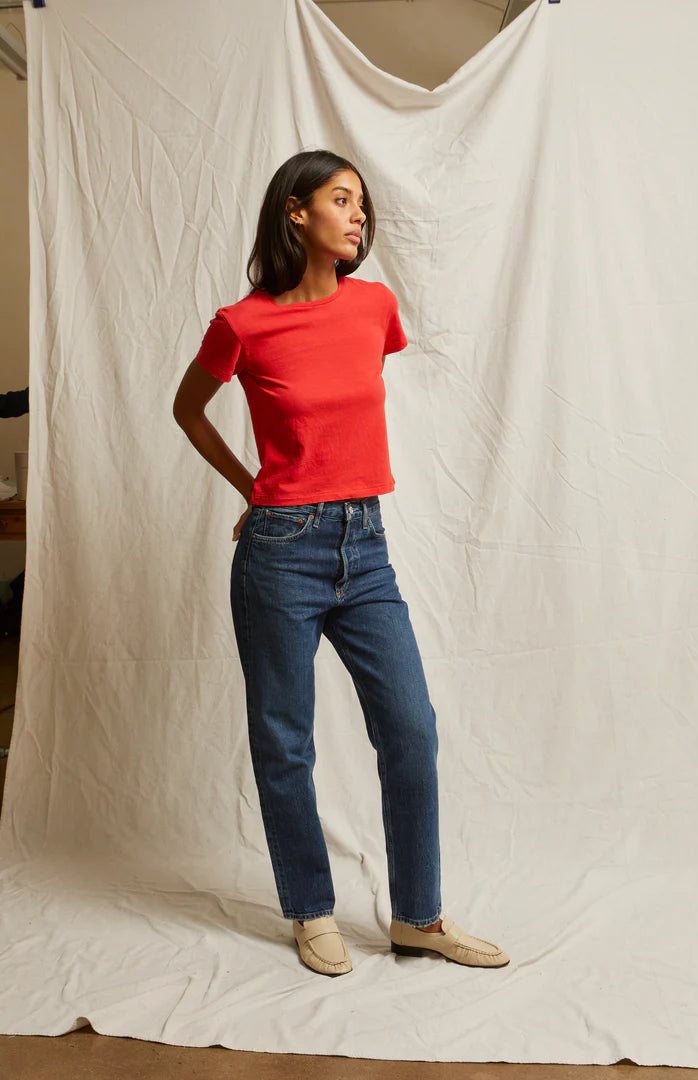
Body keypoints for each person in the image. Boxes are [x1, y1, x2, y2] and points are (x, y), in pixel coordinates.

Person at [173, 149, 509, 977]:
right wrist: (253, 487)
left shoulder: (375, 308)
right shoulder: (242, 324)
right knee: (285, 740)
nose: (359, 215)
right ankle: (310, 909)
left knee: (411, 728)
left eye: (361, 204)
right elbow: (188, 410)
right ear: (296, 211)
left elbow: (343, 420)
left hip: (367, 545)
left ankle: (419, 918)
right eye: (341, 199)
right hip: (280, 550)